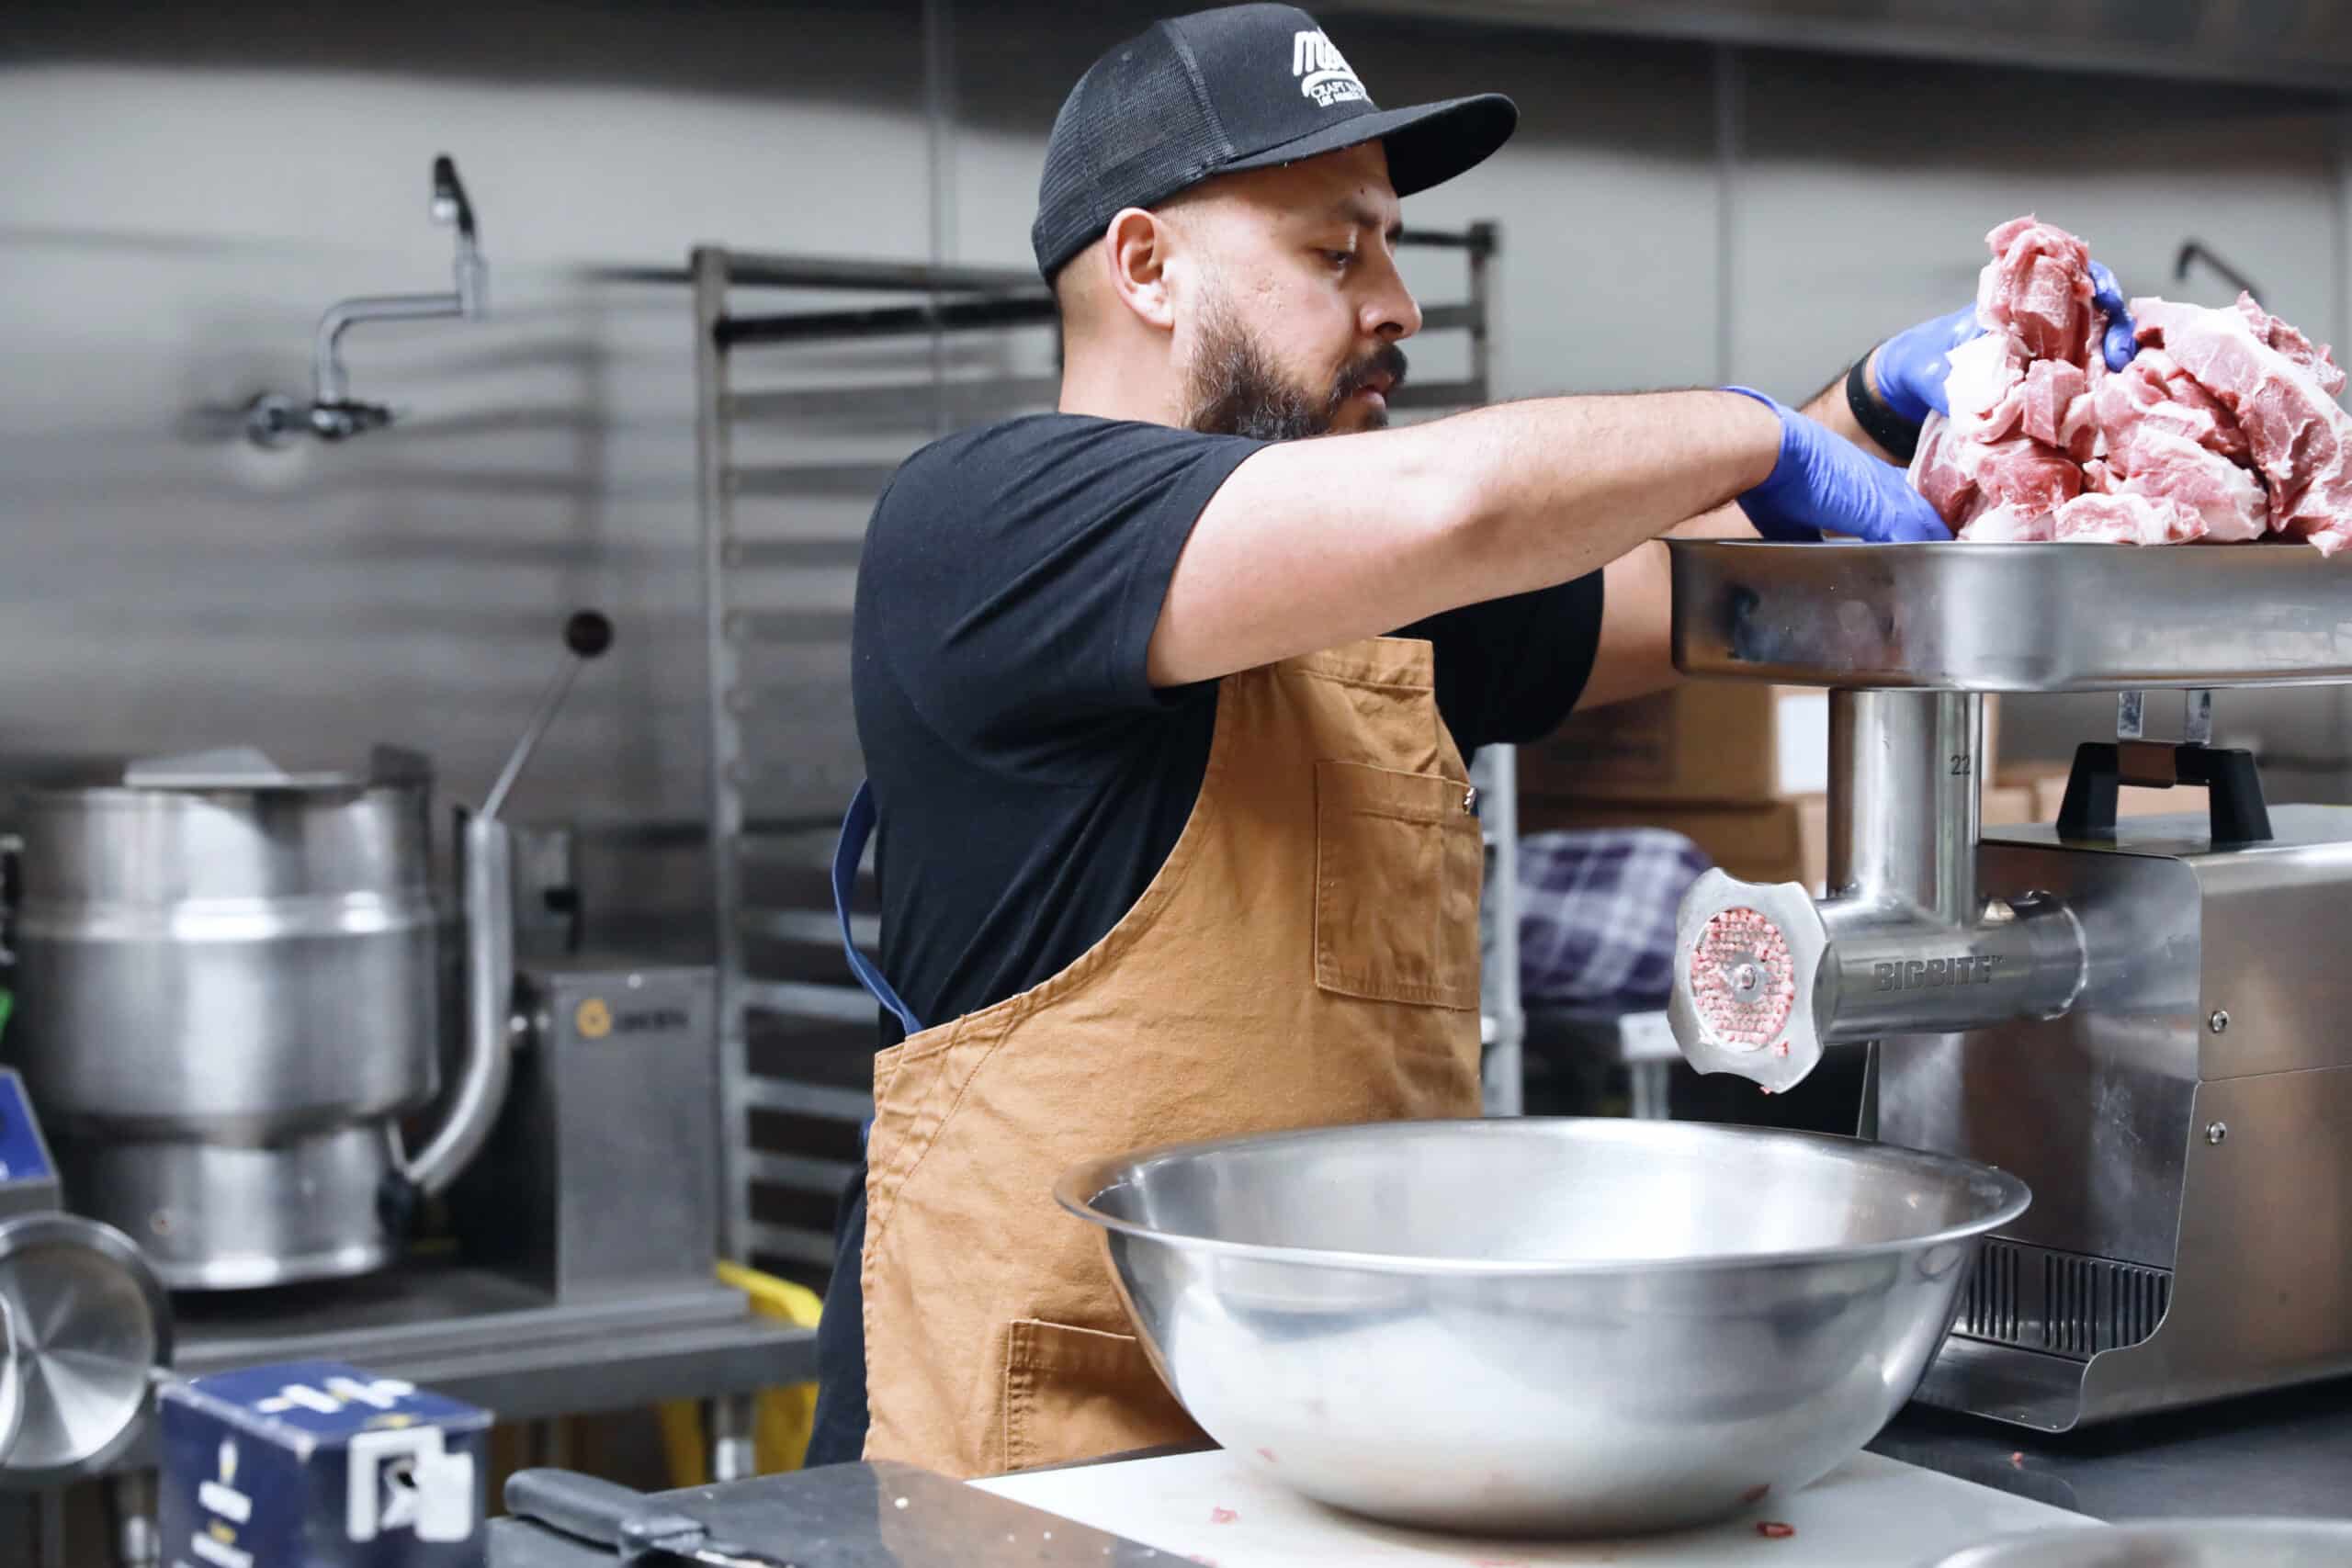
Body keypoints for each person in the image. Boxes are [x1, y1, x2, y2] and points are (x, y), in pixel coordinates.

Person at [807, 1, 2136, 1476]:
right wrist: (1754, 429)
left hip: (1341, 1445)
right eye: (1336, 250)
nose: (1397, 305)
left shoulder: (1373, 611)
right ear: (1145, 265)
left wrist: (1872, 411)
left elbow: (1689, 579)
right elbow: (1461, 505)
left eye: (1393, 246)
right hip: (1032, 1470)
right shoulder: (986, 522)